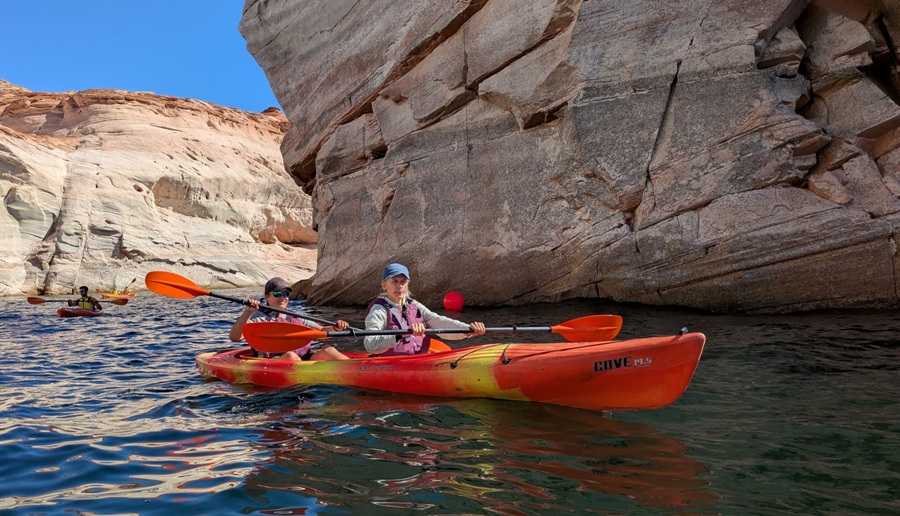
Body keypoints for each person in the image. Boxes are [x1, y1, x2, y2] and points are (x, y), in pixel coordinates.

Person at [364, 263, 486, 355]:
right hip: (391, 363)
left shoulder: (414, 305)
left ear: (407, 284)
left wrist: (468, 330)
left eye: (403, 282)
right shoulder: (378, 309)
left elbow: (439, 322)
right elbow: (370, 344)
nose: (399, 286)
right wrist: (401, 334)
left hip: (419, 359)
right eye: (394, 282)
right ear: (384, 285)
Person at [229, 277, 350, 361]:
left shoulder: (295, 316)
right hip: (275, 360)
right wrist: (247, 312)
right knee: (291, 356)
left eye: (286, 294)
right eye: (277, 294)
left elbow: (322, 331)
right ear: (267, 297)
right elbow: (235, 337)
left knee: (329, 350)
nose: (283, 297)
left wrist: (336, 328)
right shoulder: (260, 317)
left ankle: (354, 370)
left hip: (302, 358)